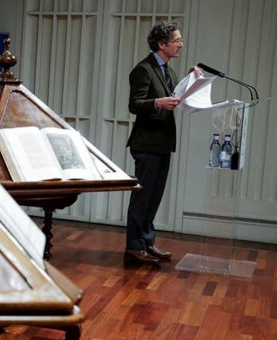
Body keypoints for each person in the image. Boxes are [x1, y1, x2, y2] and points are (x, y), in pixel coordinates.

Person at [125, 22, 199, 265]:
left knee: (154, 197)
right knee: (142, 197)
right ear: (161, 44)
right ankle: (134, 247)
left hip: (163, 142)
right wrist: (157, 103)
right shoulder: (143, 70)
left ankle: (147, 241)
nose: (181, 44)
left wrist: (191, 79)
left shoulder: (169, 70)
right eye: (177, 40)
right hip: (146, 143)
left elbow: (176, 95)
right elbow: (134, 104)